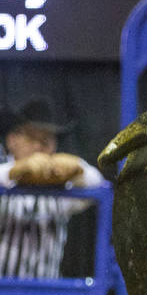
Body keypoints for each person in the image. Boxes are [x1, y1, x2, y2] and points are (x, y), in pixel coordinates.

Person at [0, 100, 105, 279]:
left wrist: (75, 166)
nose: (39, 147)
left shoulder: (61, 189)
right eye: (32, 138)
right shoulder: (4, 171)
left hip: (48, 293)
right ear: (12, 140)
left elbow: (97, 182)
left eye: (46, 140)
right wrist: (17, 170)